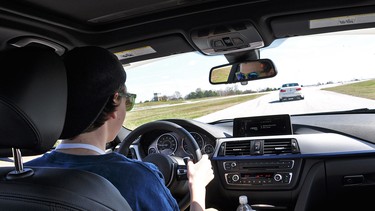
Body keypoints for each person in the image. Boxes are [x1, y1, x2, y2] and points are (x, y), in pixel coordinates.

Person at [25, 46, 214, 211]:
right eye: (128, 101)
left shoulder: (21, 175)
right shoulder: (137, 179)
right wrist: (197, 188)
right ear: (115, 101)